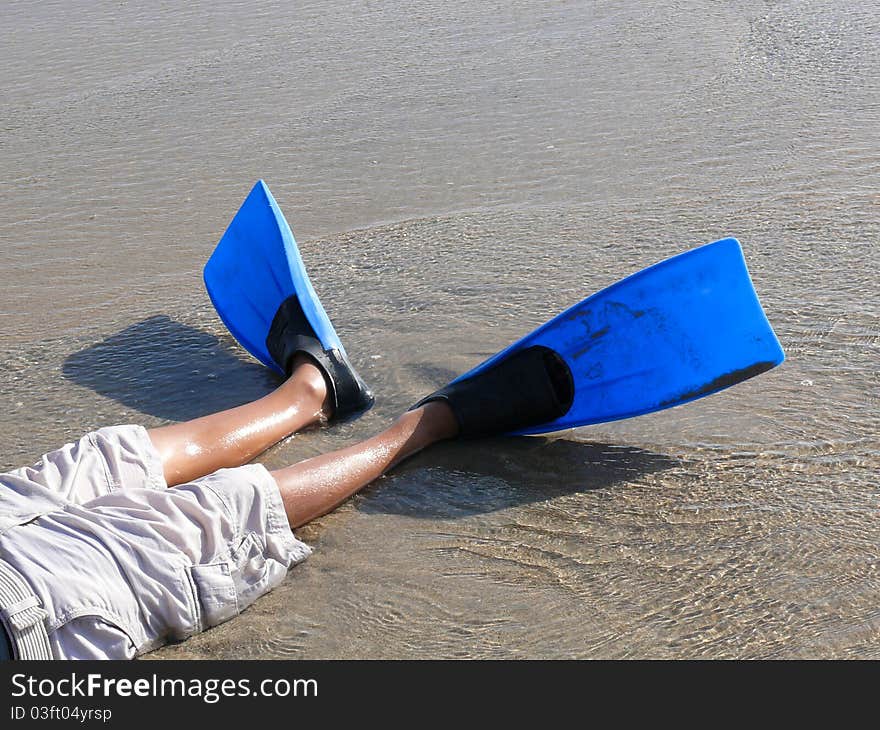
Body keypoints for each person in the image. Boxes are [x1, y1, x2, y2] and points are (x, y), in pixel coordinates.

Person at [0, 352, 474, 660]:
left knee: (105, 461)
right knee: (204, 521)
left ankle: (305, 397)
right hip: (25, 608)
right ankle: (423, 428)